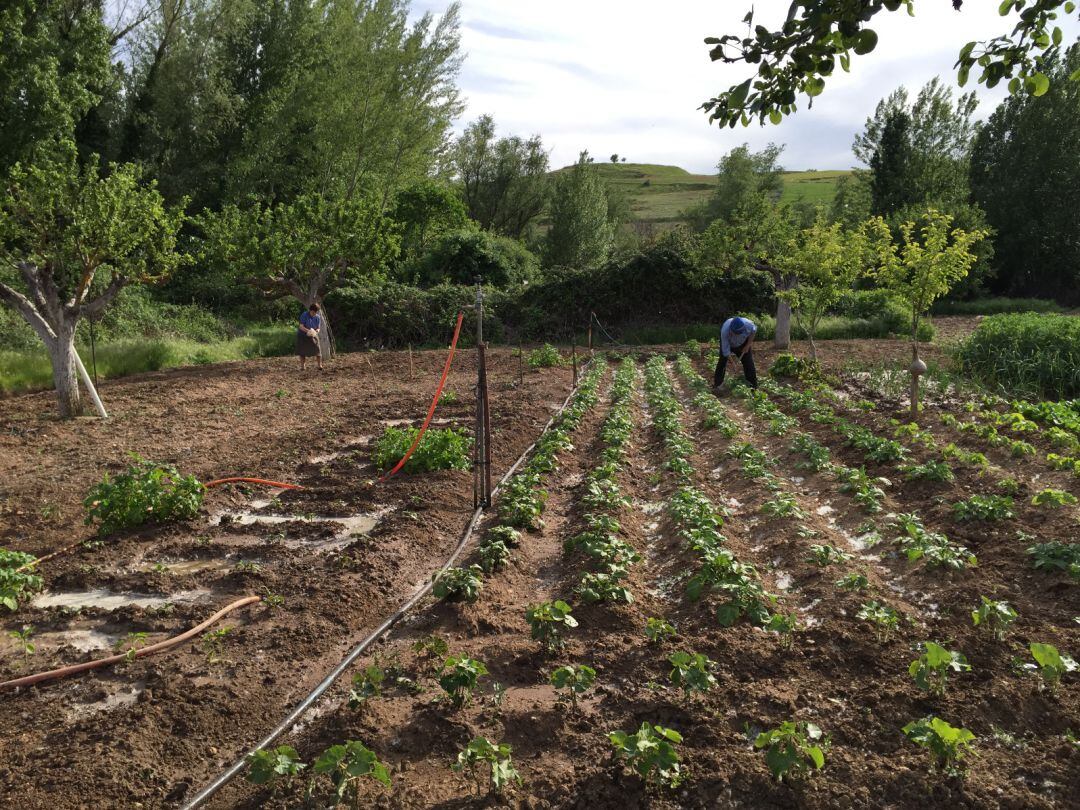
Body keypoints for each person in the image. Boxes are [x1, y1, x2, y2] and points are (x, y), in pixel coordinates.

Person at [714, 315, 757, 391]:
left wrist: (748, 345)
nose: (738, 334)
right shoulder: (725, 331)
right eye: (736, 333)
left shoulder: (748, 324)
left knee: (749, 363)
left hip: (743, 343)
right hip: (729, 344)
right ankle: (718, 384)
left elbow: (753, 332)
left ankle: (752, 386)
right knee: (722, 362)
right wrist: (733, 363)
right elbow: (726, 351)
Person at [297, 303, 323, 371]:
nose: (314, 314)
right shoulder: (304, 315)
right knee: (302, 351)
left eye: (316, 312)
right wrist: (308, 331)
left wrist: (316, 331)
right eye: (313, 312)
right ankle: (303, 367)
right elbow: (301, 326)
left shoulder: (317, 317)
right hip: (303, 334)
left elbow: (318, 328)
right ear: (310, 310)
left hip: (313, 335)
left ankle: (319, 365)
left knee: (318, 350)